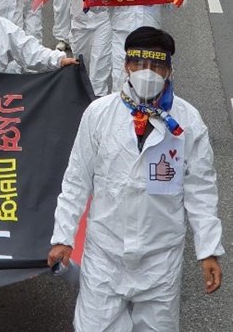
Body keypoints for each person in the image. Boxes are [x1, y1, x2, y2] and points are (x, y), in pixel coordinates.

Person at [48, 26, 223, 332]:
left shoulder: (188, 121)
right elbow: (77, 179)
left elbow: (201, 189)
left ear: (168, 70)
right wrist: (63, 236)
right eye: (140, 64)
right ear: (127, 65)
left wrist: (207, 249)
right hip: (105, 252)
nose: (148, 72)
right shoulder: (98, 114)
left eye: (157, 66)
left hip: (160, 258)